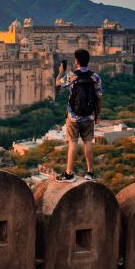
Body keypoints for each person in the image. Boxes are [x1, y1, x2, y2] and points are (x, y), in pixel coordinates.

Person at [55, 49, 102, 182]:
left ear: (76, 61)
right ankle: (90, 173)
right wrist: (97, 114)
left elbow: (58, 84)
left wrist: (60, 72)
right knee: (88, 142)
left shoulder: (72, 75)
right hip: (89, 115)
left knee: (73, 142)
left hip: (73, 116)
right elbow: (99, 97)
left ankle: (69, 174)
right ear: (88, 61)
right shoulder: (95, 77)